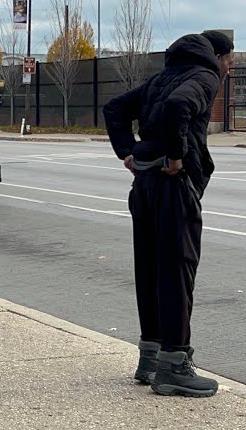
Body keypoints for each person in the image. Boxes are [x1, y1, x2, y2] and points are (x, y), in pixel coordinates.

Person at [101, 30, 235, 397]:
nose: (228, 71)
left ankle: (151, 358)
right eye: (230, 64)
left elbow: (114, 108)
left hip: (143, 185)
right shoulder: (203, 77)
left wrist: (128, 151)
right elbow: (179, 108)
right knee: (177, 269)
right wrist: (177, 156)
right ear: (220, 56)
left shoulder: (163, 77)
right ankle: (175, 364)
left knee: (150, 269)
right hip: (172, 186)